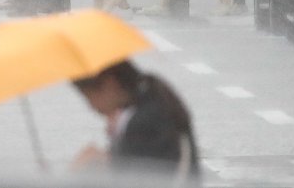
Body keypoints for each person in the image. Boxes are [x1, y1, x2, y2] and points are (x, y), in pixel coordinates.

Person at [71, 60, 200, 182]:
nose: (92, 107)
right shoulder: (152, 91)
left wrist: (101, 163)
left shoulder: (144, 122)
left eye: (88, 97)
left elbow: (135, 178)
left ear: (110, 84)